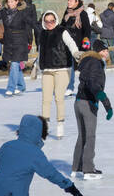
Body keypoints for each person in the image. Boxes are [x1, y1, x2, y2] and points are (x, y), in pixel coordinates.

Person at [34, 9, 80, 139]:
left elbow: (71, 44)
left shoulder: (62, 31)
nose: (49, 24)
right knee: (45, 99)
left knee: (59, 97)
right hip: (47, 69)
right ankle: (45, 126)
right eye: (47, 21)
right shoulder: (42, 34)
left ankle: (60, 124)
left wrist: (76, 53)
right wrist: (36, 65)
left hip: (62, 69)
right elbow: (41, 51)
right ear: (44, 22)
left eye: (52, 21)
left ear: (56, 20)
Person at [72, 39, 113, 180]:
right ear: (97, 52)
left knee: (82, 136)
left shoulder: (87, 62)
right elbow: (93, 83)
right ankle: (88, 169)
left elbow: (89, 80)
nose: (106, 53)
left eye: (107, 50)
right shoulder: (96, 63)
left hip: (78, 101)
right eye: (104, 50)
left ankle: (76, 167)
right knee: (90, 136)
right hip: (88, 103)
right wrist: (106, 103)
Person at [60, 0, 91, 94]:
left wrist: (85, 43)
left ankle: (88, 85)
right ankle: (69, 87)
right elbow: (62, 26)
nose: (68, 2)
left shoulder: (83, 14)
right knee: (70, 66)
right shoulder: (67, 13)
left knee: (83, 68)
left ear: (77, 2)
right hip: (68, 43)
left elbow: (87, 31)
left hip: (79, 45)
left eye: (71, 1)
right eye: (68, 0)